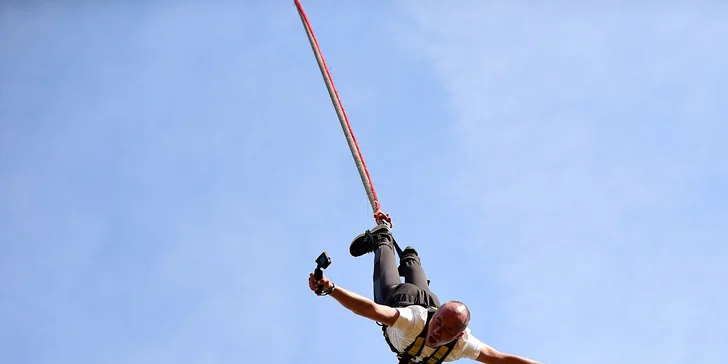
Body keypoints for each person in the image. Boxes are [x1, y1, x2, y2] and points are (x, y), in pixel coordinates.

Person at [308, 223, 542, 364]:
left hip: (430, 302)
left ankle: (411, 260)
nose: (438, 331)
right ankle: (382, 239)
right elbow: (371, 310)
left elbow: (499, 359)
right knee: (386, 296)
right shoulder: (415, 323)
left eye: (448, 330)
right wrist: (330, 289)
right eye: (440, 323)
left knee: (422, 293)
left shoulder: (460, 343)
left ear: (459, 335)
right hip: (404, 301)